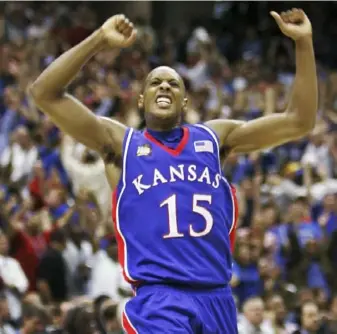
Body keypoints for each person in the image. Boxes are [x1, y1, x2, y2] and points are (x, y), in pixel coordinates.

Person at [30, 8, 317, 334]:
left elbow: (299, 120)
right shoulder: (121, 145)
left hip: (217, 298)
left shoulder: (214, 138)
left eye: (173, 84)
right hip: (160, 299)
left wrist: (304, 43)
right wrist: (99, 41)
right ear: (141, 100)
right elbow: (44, 93)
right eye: (155, 82)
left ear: (184, 102)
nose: (164, 87)